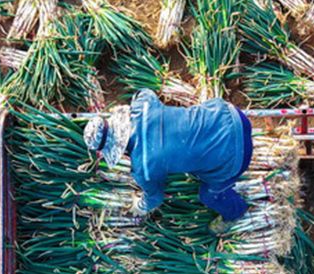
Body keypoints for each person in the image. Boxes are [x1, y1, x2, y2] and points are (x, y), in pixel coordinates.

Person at [83, 88, 254, 221]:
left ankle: (235, 213)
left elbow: (155, 197)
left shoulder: (144, 169)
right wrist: (126, 111)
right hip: (230, 114)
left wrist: (140, 206)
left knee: (209, 196)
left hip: (237, 155)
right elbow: (143, 92)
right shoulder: (142, 105)